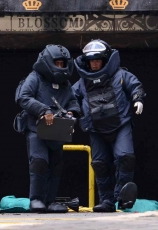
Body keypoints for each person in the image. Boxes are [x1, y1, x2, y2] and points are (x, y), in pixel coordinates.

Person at [72, 39, 145, 212]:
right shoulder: (82, 82)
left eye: (98, 60)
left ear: (105, 60)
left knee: (125, 157)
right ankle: (107, 201)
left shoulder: (120, 75)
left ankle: (122, 197)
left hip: (121, 125)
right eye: (92, 61)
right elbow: (71, 99)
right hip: (96, 129)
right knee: (99, 163)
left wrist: (138, 99)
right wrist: (70, 115)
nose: (95, 64)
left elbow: (136, 86)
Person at [16, 45, 81, 213]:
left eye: (62, 64)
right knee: (39, 162)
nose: (60, 67)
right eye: (57, 63)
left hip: (57, 131)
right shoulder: (35, 77)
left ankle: (51, 200)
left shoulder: (65, 83)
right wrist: (44, 110)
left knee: (56, 165)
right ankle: (36, 199)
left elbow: (73, 101)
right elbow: (24, 97)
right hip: (36, 129)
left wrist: (72, 112)